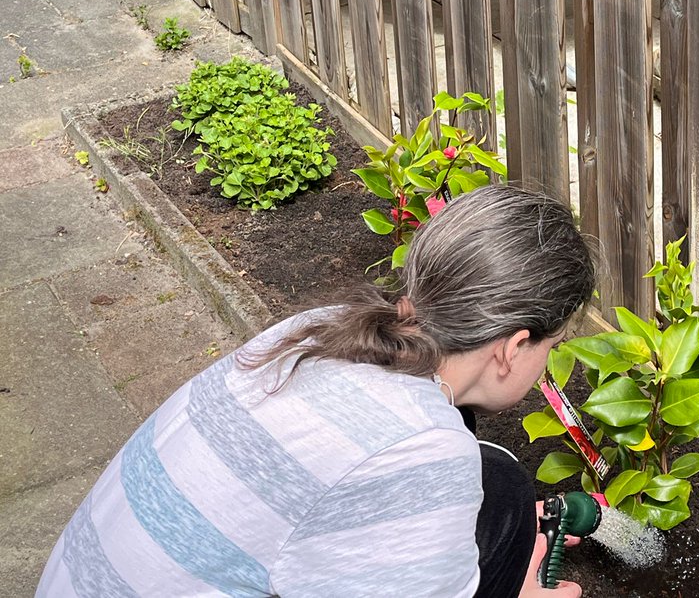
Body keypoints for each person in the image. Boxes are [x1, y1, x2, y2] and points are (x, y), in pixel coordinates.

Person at [37, 184, 592, 597]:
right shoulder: (422, 451)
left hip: (83, 578)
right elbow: (409, 464)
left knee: (499, 486)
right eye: (553, 345)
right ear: (513, 346)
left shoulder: (321, 329)